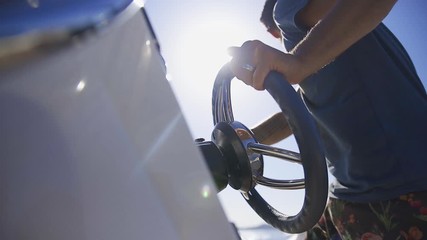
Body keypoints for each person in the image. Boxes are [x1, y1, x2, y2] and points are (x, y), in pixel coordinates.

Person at [229, 0, 427, 239]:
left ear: (271, 33)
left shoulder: (288, 12)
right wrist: (246, 140)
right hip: (348, 197)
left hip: (394, 198)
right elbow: (297, 111)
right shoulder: (337, 45)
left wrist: (299, 60)